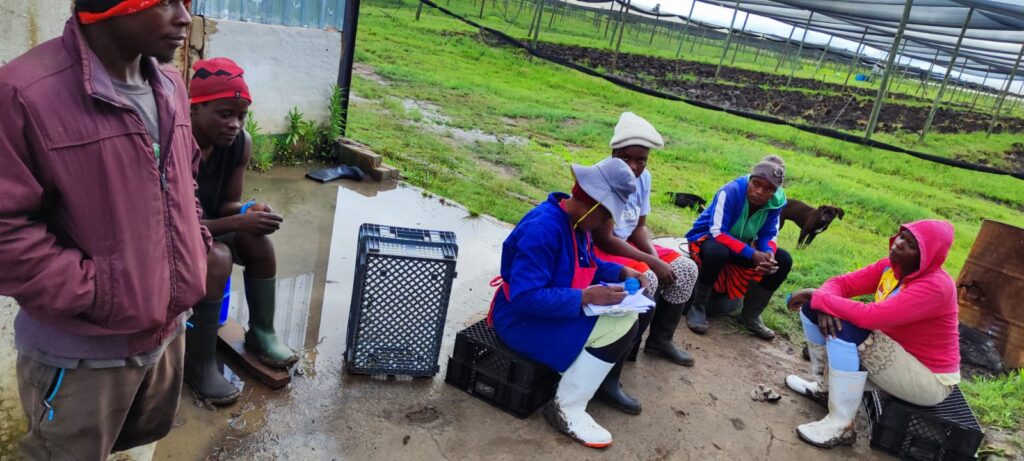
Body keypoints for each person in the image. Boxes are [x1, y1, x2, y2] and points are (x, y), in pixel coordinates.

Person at [0, 1, 209, 458]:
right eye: (165, 2)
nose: (184, 18)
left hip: (167, 336)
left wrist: (195, 243)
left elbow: (185, 179)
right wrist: (99, 292)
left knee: (135, 447)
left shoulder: (171, 85)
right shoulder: (24, 93)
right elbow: (6, 231)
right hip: (81, 357)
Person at [489, 157, 649, 448]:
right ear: (594, 206)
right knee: (620, 324)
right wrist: (585, 297)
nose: (604, 224)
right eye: (605, 216)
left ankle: (576, 386)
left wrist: (621, 271)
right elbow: (524, 296)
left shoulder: (575, 225)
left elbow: (588, 263)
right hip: (518, 320)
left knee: (627, 318)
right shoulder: (544, 229)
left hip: (547, 312)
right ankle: (566, 409)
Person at [785, 220, 961, 448]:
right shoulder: (892, 268)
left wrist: (817, 296)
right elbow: (841, 283)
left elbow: (871, 317)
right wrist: (822, 302)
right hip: (899, 356)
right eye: (902, 236)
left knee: (844, 326)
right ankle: (824, 389)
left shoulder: (935, 287)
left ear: (928, 256)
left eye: (912, 245)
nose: (900, 244)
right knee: (813, 309)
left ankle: (841, 424)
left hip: (928, 380)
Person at [186, 57, 298, 405]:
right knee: (217, 257)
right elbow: (177, 223)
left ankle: (261, 333)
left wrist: (250, 210)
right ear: (195, 108)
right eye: (224, 114)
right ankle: (198, 363)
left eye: (241, 116)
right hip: (171, 235)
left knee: (259, 242)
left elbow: (228, 205)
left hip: (209, 225)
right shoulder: (176, 145)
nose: (235, 124)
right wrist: (237, 222)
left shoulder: (239, 144)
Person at [591, 112, 698, 415]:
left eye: (641, 160)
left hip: (630, 245)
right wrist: (651, 262)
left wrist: (656, 256)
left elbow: (638, 226)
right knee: (645, 279)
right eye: (627, 158)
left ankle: (660, 340)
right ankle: (612, 368)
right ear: (613, 153)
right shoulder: (602, 177)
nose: (635, 167)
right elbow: (604, 238)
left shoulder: (644, 178)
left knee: (685, 269)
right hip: (604, 249)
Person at [683, 155, 792, 340]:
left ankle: (750, 315)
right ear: (750, 179)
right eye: (756, 184)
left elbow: (769, 233)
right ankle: (698, 306)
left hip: (742, 244)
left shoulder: (777, 202)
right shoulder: (731, 191)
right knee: (718, 251)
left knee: (783, 260)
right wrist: (752, 254)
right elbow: (717, 232)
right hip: (707, 239)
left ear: (775, 192)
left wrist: (768, 254)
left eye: (768, 189)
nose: (759, 192)